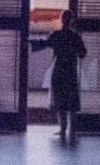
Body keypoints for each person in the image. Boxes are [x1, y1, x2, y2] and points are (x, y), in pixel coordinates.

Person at [31, 10, 87, 145]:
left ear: (62, 20)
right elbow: (83, 53)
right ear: (72, 20)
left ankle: (63, 130)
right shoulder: (75, 37)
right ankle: (72, 130)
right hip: (71, 71)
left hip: (59, 70)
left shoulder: (56, 35)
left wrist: (30, 40)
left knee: (61, 101)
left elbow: (43, 44)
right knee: (72, 102)